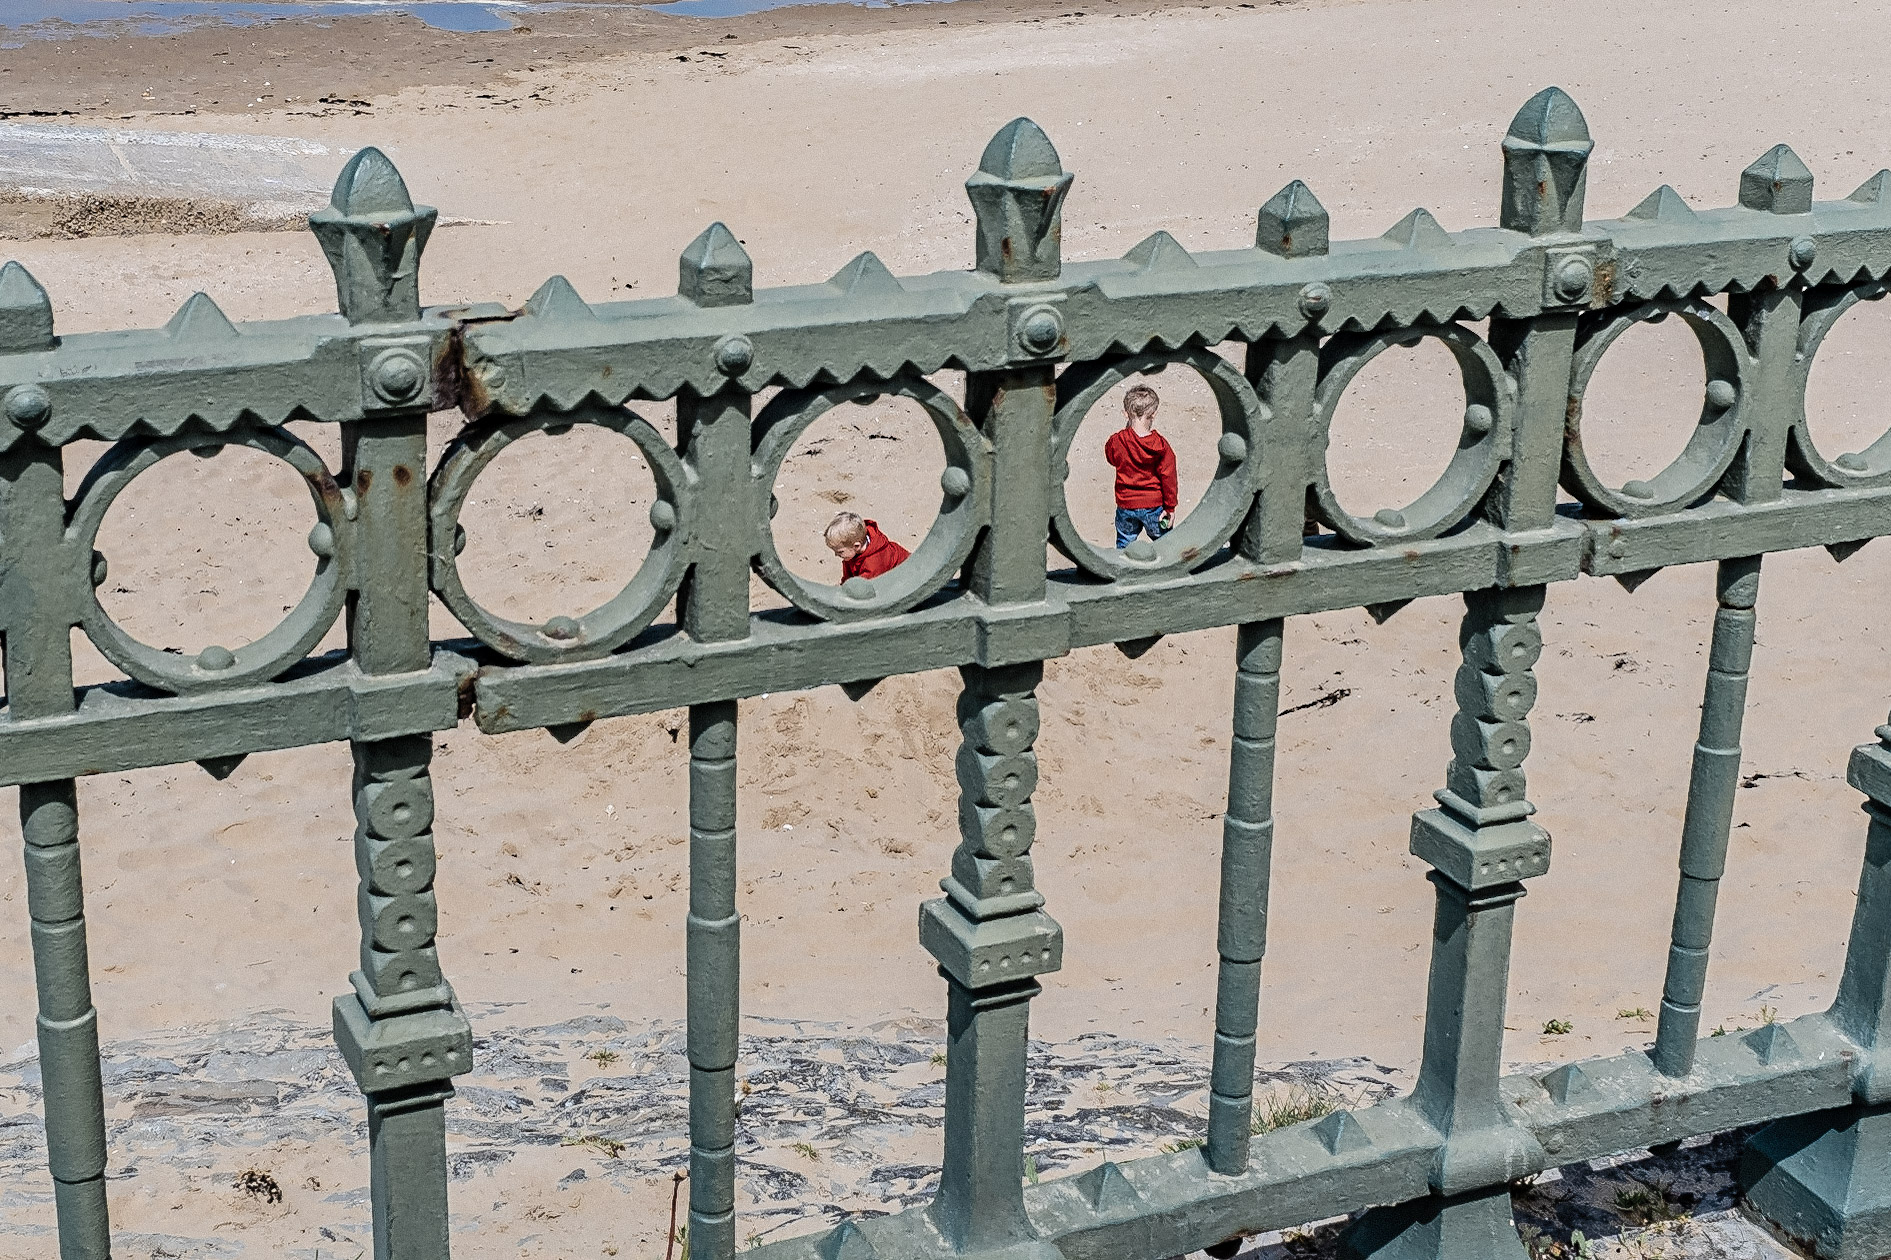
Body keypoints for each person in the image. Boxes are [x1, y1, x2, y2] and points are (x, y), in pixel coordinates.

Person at [1104, 384, 1178, 548]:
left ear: (1125, 414)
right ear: (1154, 414)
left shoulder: (1117, 441)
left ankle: (1122, 572)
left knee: (1124, 543)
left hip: (1126, 504)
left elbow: (1111, 458)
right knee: (1165, 544)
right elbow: (1168, 477)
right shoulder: (1160, 445)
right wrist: (1170, 507)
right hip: (1153, 505)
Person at [824, 512, 910, 581]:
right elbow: (848, 577)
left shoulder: (873, 563)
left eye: (840, 552)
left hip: (905, 573)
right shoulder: (851, 553)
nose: (836, 555)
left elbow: (867, 588)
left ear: (857, 546)